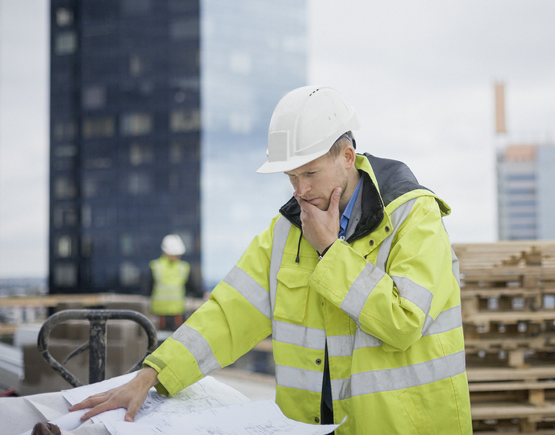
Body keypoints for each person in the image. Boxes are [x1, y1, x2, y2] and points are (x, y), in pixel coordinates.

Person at [70, 86, 473, 434]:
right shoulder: (287, 232)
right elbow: (228, 314)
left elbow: (404, 322)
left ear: (347, 157)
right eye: (291, 177)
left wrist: (331, 251)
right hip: (311, 426)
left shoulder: (414, 217)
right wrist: (150, 374)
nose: (300, 190)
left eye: (310, 174)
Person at [144, 234, 192, 331]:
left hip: (175, 314)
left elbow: (146, 291)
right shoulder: (156, 266)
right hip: (161, 315)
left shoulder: (156, 266)